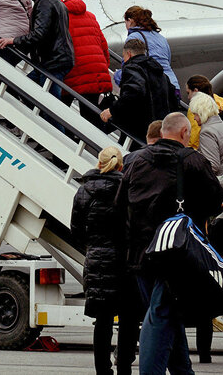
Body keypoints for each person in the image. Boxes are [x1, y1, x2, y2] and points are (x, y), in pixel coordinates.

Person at [116, 112, 223, 375]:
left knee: (168, 314)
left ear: (162, 132)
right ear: (185, 133)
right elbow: (215, 199)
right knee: (161, 315)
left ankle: (183, 371)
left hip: (140, 253)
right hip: (177, 253)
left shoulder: (136, 160)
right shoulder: (193, 161)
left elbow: (119, 204)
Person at [72, 146, 130, 375]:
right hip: (124, 259)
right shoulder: (127, 188)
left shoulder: (84, 190)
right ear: (120, 165)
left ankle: (102, 370)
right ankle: (124, 367)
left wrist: (93, 245)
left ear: (99, 163)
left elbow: (76, 230)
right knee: (127, 317)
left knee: (103, 319)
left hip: (97, 257)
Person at [0, 0, 74, 100]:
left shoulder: (43, 2)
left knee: (49, 108)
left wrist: (13, 40)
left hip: (52, 62)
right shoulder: (49, 0)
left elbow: (39, 34)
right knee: (27, 94)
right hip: (54, 60)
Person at [52, 0, 113, 133]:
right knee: (90, 118)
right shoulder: (90, 16)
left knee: (58, 113)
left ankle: (62, 149)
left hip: (70, 72)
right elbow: (104, 47)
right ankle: (99, 150)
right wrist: (102, 66)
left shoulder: (57, 15)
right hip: (94, 71)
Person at [99, 38, 177, 141]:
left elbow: (133, 93)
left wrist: (112, 110)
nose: (124, 60)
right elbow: (173, 98)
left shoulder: (132, 68)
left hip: (137, 128)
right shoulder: (159, 73)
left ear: (129, 54)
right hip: (157, 129)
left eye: (124, 56)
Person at [188, 92, 223, 202]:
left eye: (196, 114)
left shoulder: (207, 132)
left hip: (218, 193)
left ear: (202, 112)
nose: (194, 118)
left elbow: (211, 166)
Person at [112, 6, 179, 96]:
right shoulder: (161, 38)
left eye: (125, 22)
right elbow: (168, 60)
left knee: (118, 75)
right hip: (172, 85)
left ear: (130, 20)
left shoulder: (134, 37)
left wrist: (117, 76)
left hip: (154, 88)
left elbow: (129, 66)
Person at [184, 74, 223, 148]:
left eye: (189, 93)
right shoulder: (220, 101)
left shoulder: (195, 107)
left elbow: (193, 138)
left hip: (205, 148)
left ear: (195, 90)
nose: (188, 97)